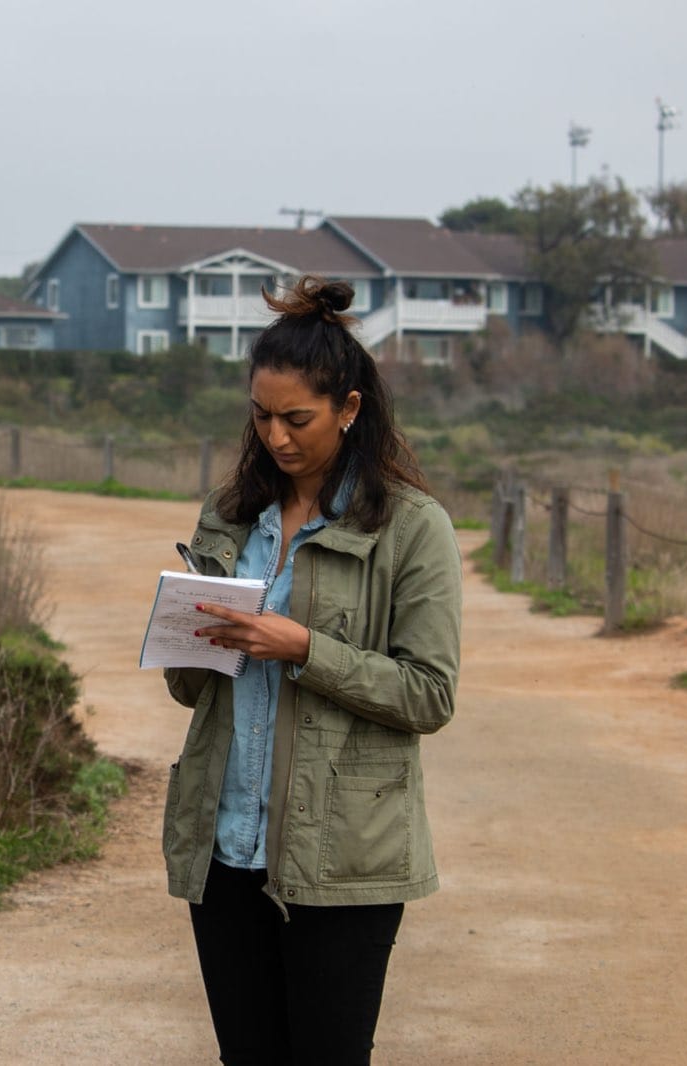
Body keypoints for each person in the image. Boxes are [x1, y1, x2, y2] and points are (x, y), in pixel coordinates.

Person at [163, 275, 462, 1065]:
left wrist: (305, 650)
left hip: (344, 856)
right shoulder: (229, 516)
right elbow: (190, 690)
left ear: (351, 408)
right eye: (261, 416)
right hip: (226, 845)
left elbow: (430, 694)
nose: (276, 437)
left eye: (298, 419)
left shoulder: (412, 528)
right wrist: (187, 634)